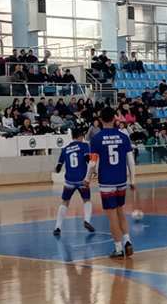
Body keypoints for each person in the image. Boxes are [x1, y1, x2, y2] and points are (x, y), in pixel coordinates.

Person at [87, 106, 135, 258]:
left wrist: (87, 179)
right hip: (121, 180)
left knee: (111, 216)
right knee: (121, 212)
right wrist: (132, 180)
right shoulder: (124, 137)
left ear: (100, 119)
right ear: (115, 118)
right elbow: (131, 161)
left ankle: (118, 248)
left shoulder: (96, 139)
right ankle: (127, 240)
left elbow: (92, 164)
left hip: (106, 181)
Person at [53, 127, 96, 235]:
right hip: (82, 179)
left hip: (69, 180)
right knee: (87, 199)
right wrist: (93, 171)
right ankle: (87, 220)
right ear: (81, 137)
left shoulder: (65, 149)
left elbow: (58, 168)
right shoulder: (85, 146)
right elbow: (87, 159)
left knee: (65, 201)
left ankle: (58, 227)